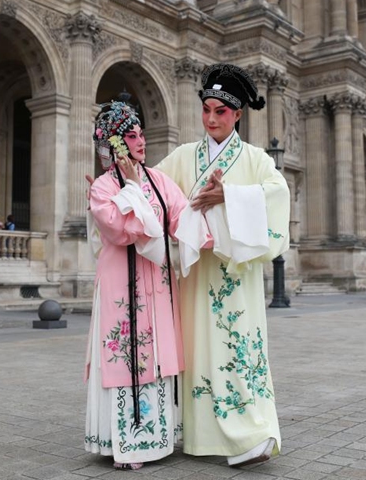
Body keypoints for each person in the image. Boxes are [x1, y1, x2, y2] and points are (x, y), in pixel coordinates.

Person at [156, 63, 290, 467]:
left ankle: (251, 433)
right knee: (199, 353)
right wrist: (120, 180)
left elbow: (277, 194)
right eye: (207, 109)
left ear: (237, 115)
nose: (212, 118)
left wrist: (229, 196)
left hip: (236, 279)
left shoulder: (256, 159)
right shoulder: (183, 157)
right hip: (195, 280)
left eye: (221, 112)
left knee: (238, 351)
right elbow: (156, 190)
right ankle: (199, 437)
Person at [84, 101, 188, 470]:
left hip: (156, 283)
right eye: (132, 135)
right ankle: (123, 442)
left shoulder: (160, 181)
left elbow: (181, 218)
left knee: (156, 353)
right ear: (115, 144)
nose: (142, 141)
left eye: (142, 133)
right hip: (120, 284)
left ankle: (157, 439)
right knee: (124, 354)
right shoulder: (102, 186)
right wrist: (130, 190)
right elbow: (119, 228)